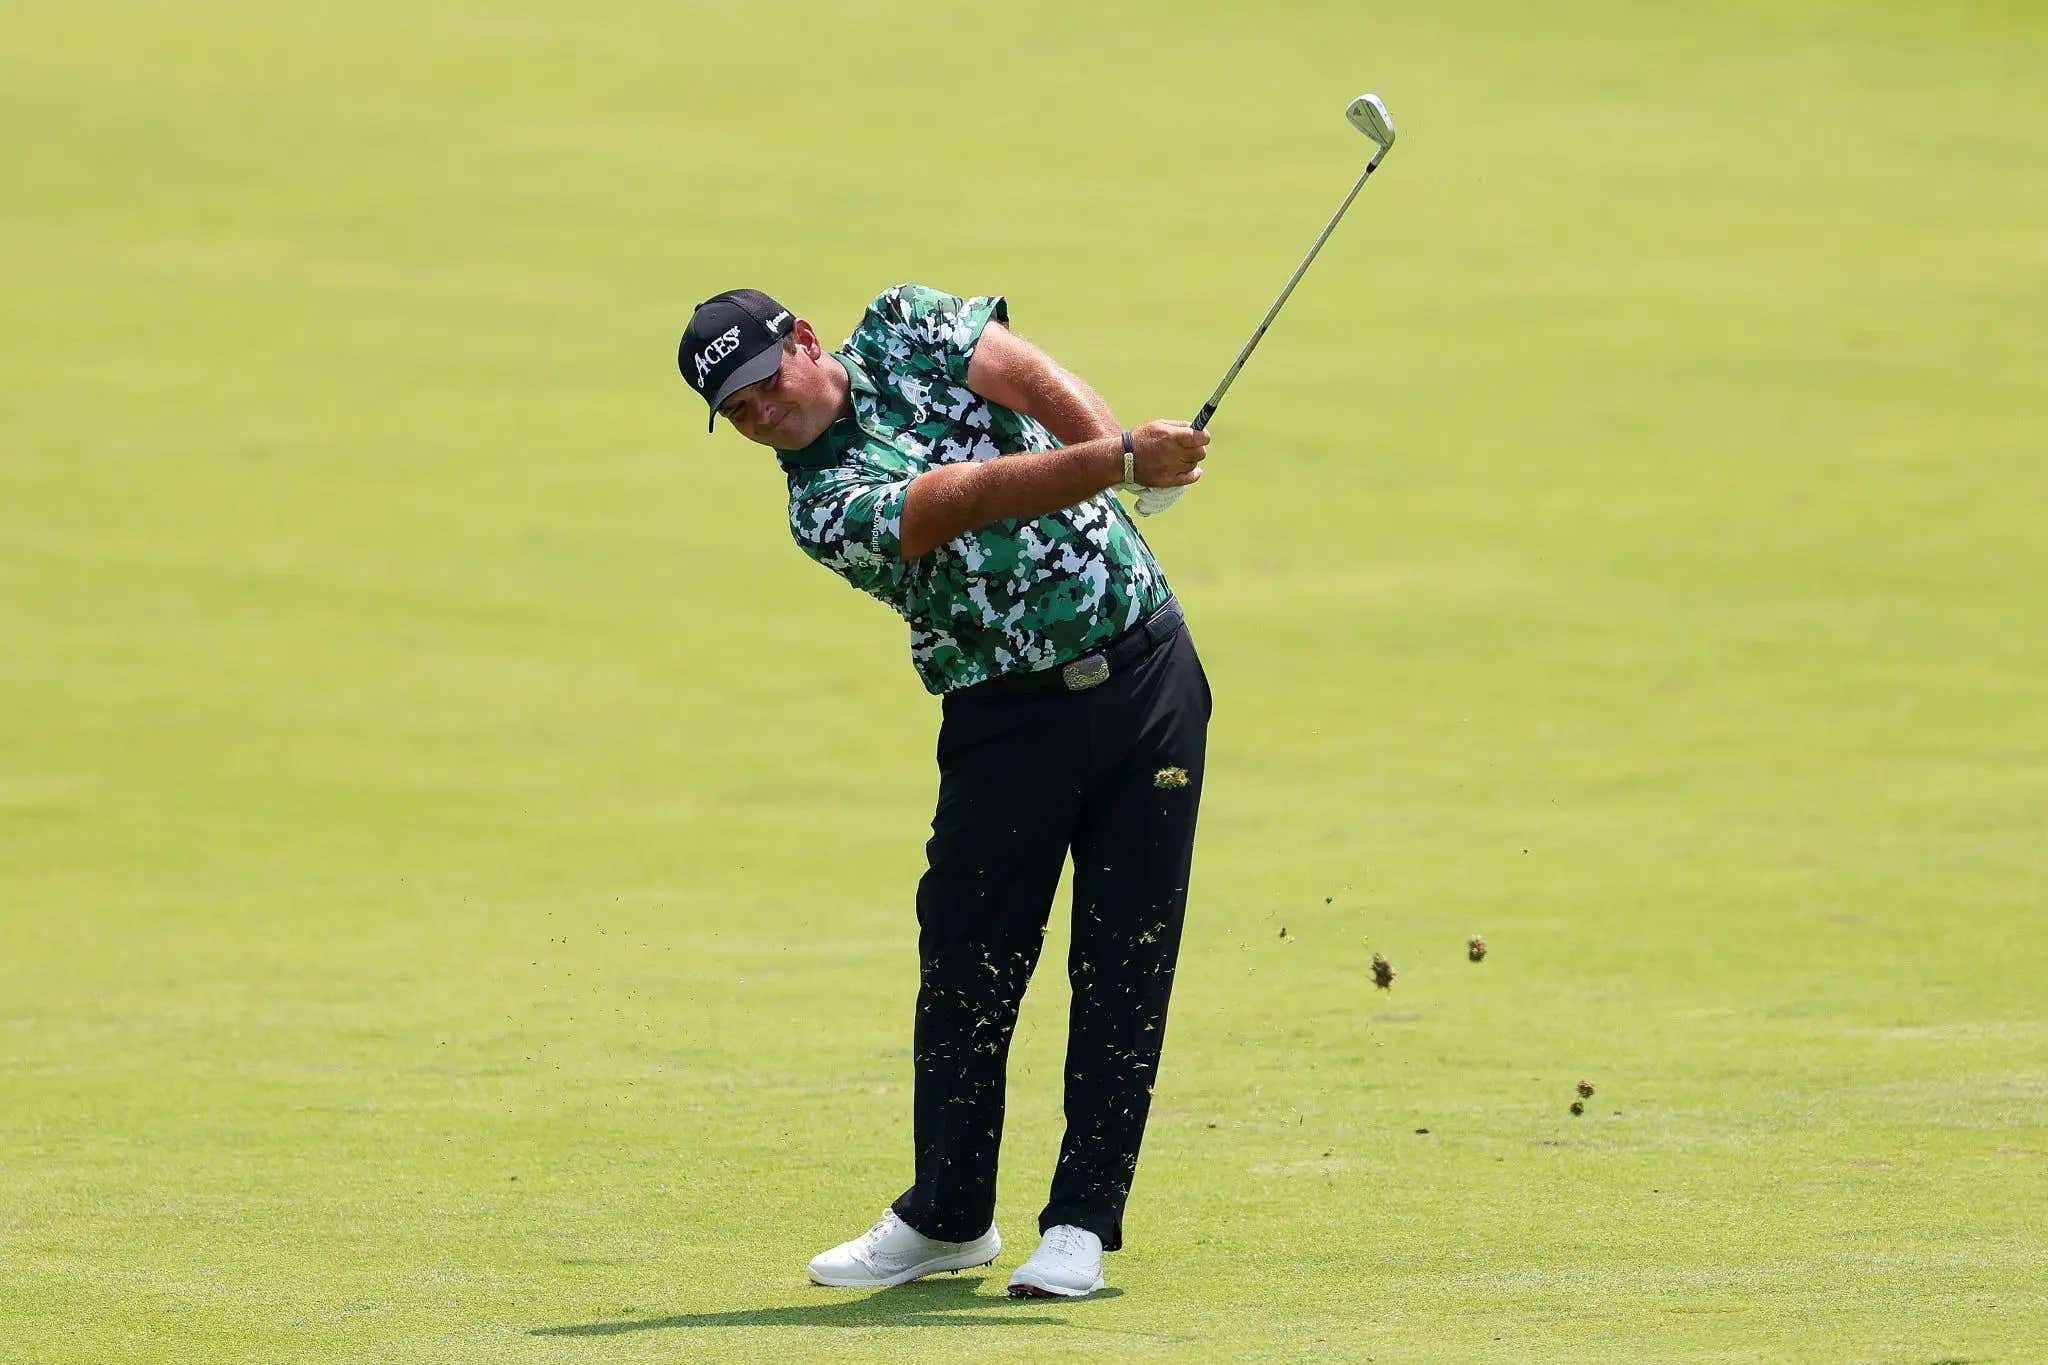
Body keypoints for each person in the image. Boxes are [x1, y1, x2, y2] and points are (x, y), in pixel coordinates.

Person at [677, 284, 1213, 1299]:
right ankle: (948, 1217)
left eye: (758, 386)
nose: (758, 416)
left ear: (801, 341)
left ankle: (1080, 1227)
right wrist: (1119, 462)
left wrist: (1130, 464)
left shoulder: (905, 321)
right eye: (735, 414)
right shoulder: (819, 506)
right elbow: (958, 499)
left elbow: (1029, 377)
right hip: (1001, 719)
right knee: (969, 967)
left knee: (1124, 955)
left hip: (1147, 676)